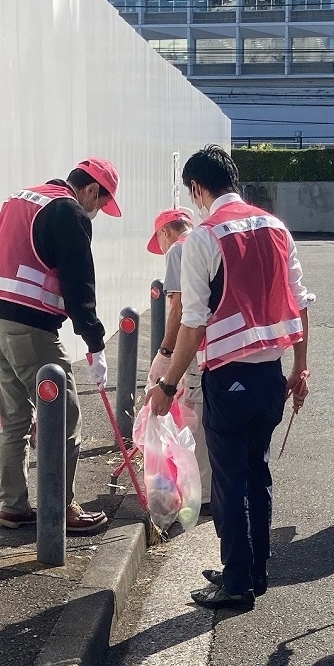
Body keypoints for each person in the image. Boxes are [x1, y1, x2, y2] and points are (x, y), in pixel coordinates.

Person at [146, 146, 312, 610]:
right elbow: (300, 302)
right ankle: (253, 571)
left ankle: (237, 581)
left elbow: (193, 324)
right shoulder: (276, 227)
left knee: (230, 481)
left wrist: (165, 385)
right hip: (271, 376)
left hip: (229, 378)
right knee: (257, 473)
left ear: (198, 188)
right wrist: (300, 367)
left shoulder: (204, 238)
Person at [0, 158, 122, 533]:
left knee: (15, 416)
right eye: (99, 204)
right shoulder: (69, 212)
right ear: (92, 190)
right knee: (65, 416)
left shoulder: (24, 198)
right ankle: (61, 509)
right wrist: (95, 343)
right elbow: (80, 284)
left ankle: (13, 506)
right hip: (30, 330)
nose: (96, 213)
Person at [145, 207, 212, 513]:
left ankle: (204, 494)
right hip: (220, 344)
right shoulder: (209, 240)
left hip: (193, 346)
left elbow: (178, 309)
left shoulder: (178, 249)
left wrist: (165, 353)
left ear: (165, 232)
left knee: (194, 418)